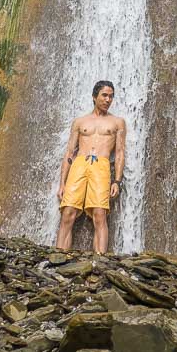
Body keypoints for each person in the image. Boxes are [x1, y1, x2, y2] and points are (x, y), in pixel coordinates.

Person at [55, 80, 126, 253]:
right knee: (68, 213)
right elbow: (69, 153)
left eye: (111, 96)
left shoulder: (118, 123)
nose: (108, 100)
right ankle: (58, 257)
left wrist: (117, 180)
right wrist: (62, 183)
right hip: (79, 164)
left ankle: (100, 261)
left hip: (101, 165)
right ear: (94, 97)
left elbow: (119, 153)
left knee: (100, 215)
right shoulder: (80, 122)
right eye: (104, 95)